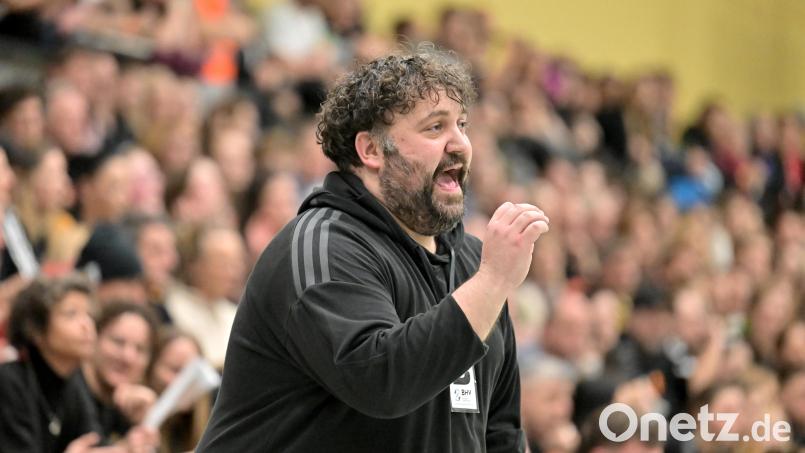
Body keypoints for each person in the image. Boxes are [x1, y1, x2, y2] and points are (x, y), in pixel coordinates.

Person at [198, 44, 550, 452]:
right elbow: (381, 380)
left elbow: (500, 432)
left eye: (462, 125)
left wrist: (489, 279)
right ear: (371, 150)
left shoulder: (473, 262)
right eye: (435, 128)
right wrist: (493, 281)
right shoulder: (322, 246)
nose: (460, 144)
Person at [0, 275, 100, 453]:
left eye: (89, 315)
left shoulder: (73, 379)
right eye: (71, 314)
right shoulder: (9, 381)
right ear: (35, 329)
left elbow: (93, 440)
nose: (87, 325)